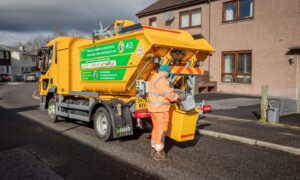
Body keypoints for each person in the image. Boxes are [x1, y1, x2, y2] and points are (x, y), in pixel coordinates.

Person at [147, 65, 186, 161]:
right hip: (161, 110)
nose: (168, 75)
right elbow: (168, 94)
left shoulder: (154, 78)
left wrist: (173, 91)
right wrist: (178, 97)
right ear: (165, 72)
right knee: (162, 131)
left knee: (156, 129)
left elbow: (162, 91)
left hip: (154, 109)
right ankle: (159, 153)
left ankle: (154, 148)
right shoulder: (162, 80)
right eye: (168, 73)